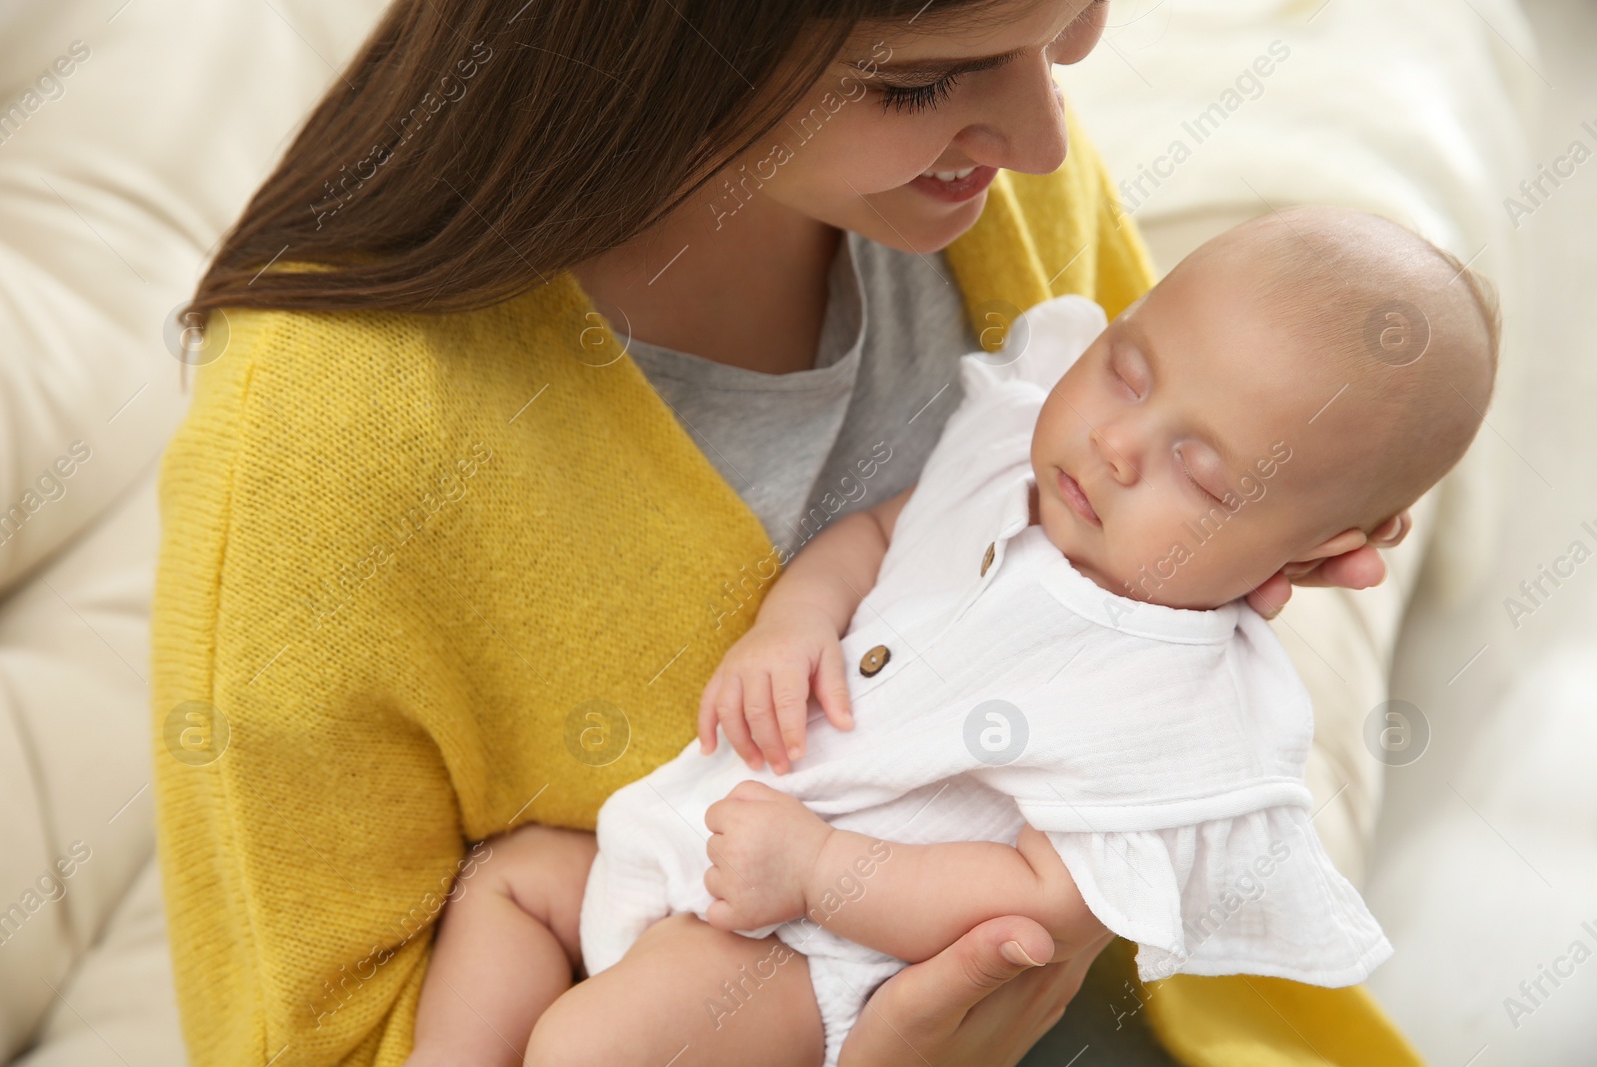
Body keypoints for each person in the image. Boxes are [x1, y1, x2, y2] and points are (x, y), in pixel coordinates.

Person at [151, 1, 1415, 1064]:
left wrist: (1252, 534)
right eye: (919, 83)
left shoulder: (993, 195)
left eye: (1072, 20)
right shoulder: (318, 448)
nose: (1041, 140)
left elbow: (1176, 503)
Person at [409, 207, 1494, 1065]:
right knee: (508, 879)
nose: (1116, 442)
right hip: (683, 834)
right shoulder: (1015, 449)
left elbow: (1036, 903)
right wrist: (794, 621)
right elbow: (884, 528)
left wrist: (821, 867)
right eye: (1126, 365)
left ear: (1309, 550)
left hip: (814, 957)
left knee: (586, 1046)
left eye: (1200, 470)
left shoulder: (1180, 708)